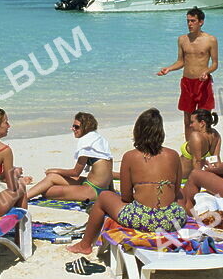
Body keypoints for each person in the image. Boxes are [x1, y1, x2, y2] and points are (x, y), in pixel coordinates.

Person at [66, 108, 186, 254]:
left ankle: (85, 245)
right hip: (173, 220)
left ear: (138, 131)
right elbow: (176, 190)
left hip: (143, 219)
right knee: (180, 194)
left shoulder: (130, 156)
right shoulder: (173, 155)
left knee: (103, 197)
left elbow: (126, 197)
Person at [157, 7, 219, 149]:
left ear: (201, 22)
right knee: (188, 120)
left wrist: (207, 72)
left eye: (193, 21)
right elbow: (181, 62)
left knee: (204, 119)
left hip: (203, 83)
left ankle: (205, 146)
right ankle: (190, 147)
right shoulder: (182, 40)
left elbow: (215, 64)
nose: (190, 24)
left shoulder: (211, 40)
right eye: (188, 21)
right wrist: (169, 69)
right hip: (187, 82)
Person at [26, 112, 113, 202]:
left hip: (92, 190)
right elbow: (109, 170)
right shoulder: (99, 140)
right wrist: (111, 191)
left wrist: (55, 170)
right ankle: (25, 196)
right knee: (52, 177)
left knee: (46, 192)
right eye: (73, 126)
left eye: (76, 127)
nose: (73, 129)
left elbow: (75, 172)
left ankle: (24, 198)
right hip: (102, 188)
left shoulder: (86, 142)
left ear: (85, 127)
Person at [180, 109, 221, 178]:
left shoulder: (196, 136)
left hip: (181, 178)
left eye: (192, 122)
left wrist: (198, 182)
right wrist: (220, 176)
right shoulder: (216, 135)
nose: (190, 125)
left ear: (202, 123)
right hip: (191, 176)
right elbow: (216, 159)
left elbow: (196, 162)